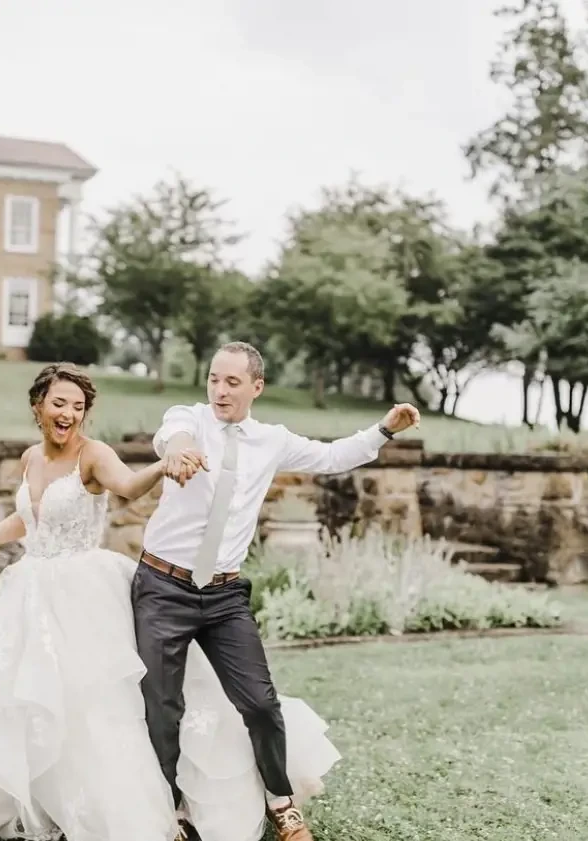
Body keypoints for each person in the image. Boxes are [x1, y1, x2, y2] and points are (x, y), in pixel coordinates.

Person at [0, 362, 346, 841]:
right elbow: (26, 520)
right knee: (32, 701)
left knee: (99, 704)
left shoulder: (94, 455)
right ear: (38, 407)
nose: (69, 412)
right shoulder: (30, 457)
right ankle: (47, 804)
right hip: (29, 592)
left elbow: (129, 489)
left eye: (78, 405)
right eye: (59, 403)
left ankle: (140, 810)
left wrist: (165, 464)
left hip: (83, 592)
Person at [135, 341, 420, 841]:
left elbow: (332, 456)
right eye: (214, 379)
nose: (219, 390)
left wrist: (383, 430)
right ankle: (171, 810)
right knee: (161, 707)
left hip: (224, 598)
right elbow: (170, 435)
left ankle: (280, 802)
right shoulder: (189, 419)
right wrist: (178, 449)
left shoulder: (272, 439)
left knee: (262, 703)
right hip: (162, 588)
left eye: (232, 382)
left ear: (256, 387)